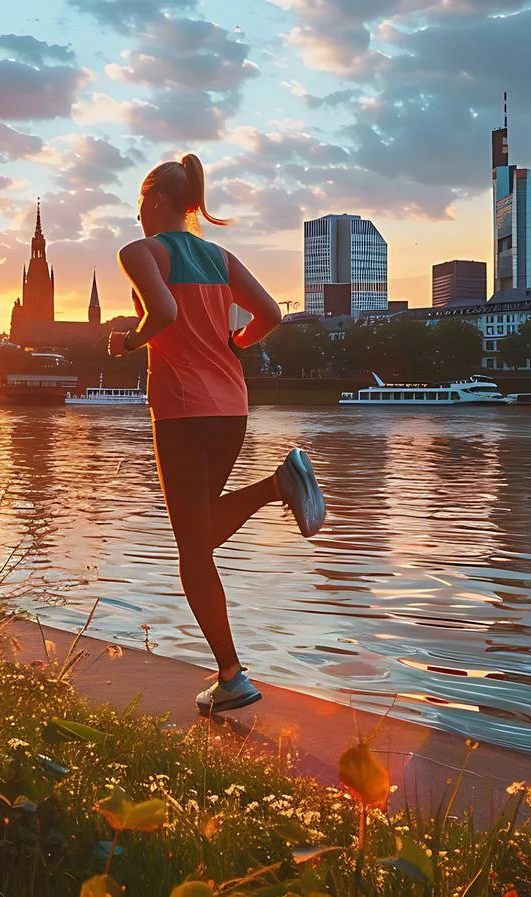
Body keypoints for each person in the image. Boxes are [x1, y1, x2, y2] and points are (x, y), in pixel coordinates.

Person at [108, 153, 326, 714]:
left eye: (140, 204)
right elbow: (272, 314)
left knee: (192, 550)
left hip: (181, 409)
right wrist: (235, 346)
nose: (138, 216)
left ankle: (231, 675)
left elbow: (160, 312)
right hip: (231, 408)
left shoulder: (141, 252)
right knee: (199, 535)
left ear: (156, 203)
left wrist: (128, 343)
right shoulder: (220, 257)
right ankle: (277, 484)